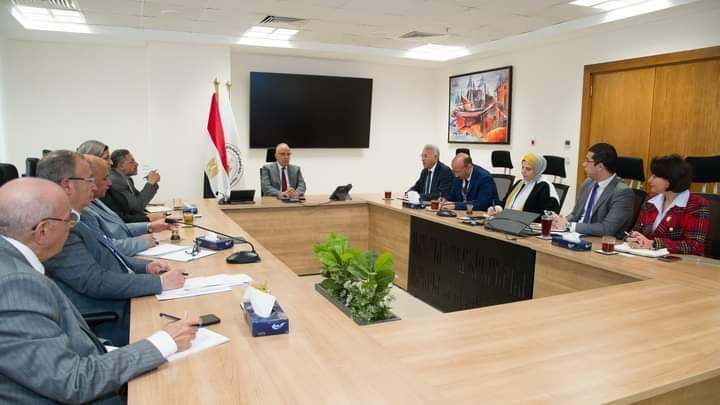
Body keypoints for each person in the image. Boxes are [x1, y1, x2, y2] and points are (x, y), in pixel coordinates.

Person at [0, 177, 200, 404]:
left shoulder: (13, 262)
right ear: (43, 231)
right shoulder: (15, 283)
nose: (72, 227)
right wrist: (165, 341)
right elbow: (73, 383)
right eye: (69, 220)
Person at [38, 150, 186, 346]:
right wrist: (159, 283)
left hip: (125, 298)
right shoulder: (57, 226)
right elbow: (95, 282)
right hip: (112, 315)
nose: (95, 186)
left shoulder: (82, 215)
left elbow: (110, 252)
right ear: (67, 185)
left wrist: (146, 267)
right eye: (89, 180)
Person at [84, 155, 172, 256]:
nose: (111, 162)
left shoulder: (95, 199)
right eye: (106, 157)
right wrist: (143, 239)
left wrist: (149, 226)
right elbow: (104, 248)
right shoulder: (81, 210)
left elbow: (118, 227)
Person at [626, 155, 710, 255]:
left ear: (670, 179)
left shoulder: (697, 204)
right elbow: (636, 230)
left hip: (678, 262)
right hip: (644, 257)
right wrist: (633, 237)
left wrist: (653, 244)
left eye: (655, 176)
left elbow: (694, 246)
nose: (649, 180)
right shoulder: (650, 200)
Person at [552, 143, 633, 238]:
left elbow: (607, 229)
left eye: (587, 161)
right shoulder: (588, 183)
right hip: (575, 235)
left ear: (600, 166)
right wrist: (561, 221)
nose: (583, 164)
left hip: (597, 241)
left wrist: (569, 225)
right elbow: (575, 215)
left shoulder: (623, 192)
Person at [487, 153, 560, 217]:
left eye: (528, 169)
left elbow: (547, 215)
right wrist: (497, 209)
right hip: (510, 221)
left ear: (537, 170)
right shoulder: (520, 183)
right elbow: (504, 203)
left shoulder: (544, 187)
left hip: (528, 225)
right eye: (522, 167)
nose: (523, 171)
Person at [103, 149, 163, 223]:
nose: (137, 164)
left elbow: (139, 198)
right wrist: (150, 183)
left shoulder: (127, 179)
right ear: (121, 166)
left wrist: (152, 183)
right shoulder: (116, 181)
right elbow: (137, 207)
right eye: (132, 162)